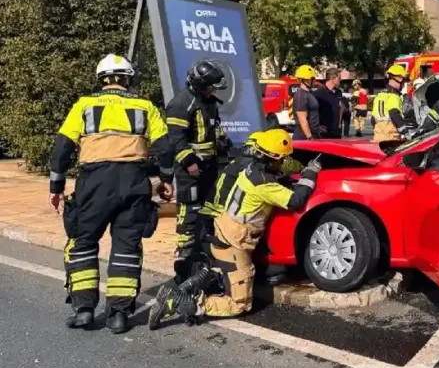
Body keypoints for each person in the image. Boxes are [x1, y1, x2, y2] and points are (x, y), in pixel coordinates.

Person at [51, 54, 174, 333]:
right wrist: (166, 179)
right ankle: (118, 314)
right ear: (128, 79)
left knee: (82, 242)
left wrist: (56, 187)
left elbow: (61, 149)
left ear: (101, 79)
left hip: (94, 183)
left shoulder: (84, 105)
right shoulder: (145, 106)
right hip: (135, 182)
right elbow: (165, 148)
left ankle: (84, 310)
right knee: (127, 248)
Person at [149, 130, 320, 327]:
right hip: (234, 245)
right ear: (272, 158)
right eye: (282, 159)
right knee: (240, 304)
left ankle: (184, 289)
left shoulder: (250, 170)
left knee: (222, 272)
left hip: (222, 233)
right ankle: (184, 303)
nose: (284, 162)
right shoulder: (263, 184)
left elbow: (278, 176)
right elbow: (295, 200)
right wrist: (310, 174)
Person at [165, 60, 231, 285]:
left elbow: (213, 128)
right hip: (190, 169)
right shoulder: (181, 103)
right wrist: (190, 162)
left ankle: (205, 251)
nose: (213, 90)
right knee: (189, 211)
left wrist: (222, 142)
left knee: (210, 207)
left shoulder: (209, 101)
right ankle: (184, 255)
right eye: (211, 86)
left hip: (210, 165)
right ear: (200, 84)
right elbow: (175, 139)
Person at [371, 64, 410, 145]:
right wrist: (406, 132)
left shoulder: (380, 95)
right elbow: (394, 114)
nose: (403, 85)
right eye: (403, 81)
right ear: (396, 78)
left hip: (378, 137)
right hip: (391, 139)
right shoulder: (393, 96)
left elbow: (373, 119)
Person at [291, 65, 321, 141]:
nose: (314, 80)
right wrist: (310, 137)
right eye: (311, 78)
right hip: (303, 136)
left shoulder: (309, 94)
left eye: (314, 78)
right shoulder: (301, 95)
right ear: (302, 80)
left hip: (312, 134)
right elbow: (302, 119)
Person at [314, 68, 343, 139]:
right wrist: (317, 126)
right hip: (324, 132)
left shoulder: (339, 92)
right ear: (332, 78)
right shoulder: (319, 93)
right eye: (339, 78)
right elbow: (313, 112)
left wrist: (339, 124)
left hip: (336, 131)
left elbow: (340, 108)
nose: (340, 80)